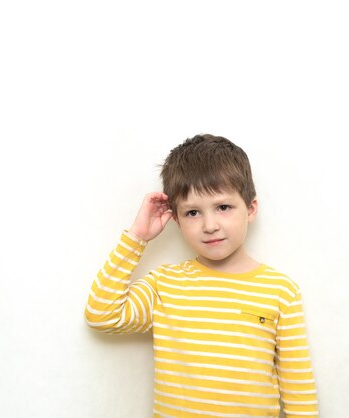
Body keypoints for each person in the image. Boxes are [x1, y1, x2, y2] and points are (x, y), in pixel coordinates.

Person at [85, 134, 319, 417]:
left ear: (250, 209)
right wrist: (137, 238)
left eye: (223, 207)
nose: (210, 225)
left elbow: (299, 394)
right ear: (176, 219)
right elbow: (102, 315)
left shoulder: (281, 291)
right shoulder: (165, 285)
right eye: (193, 212)